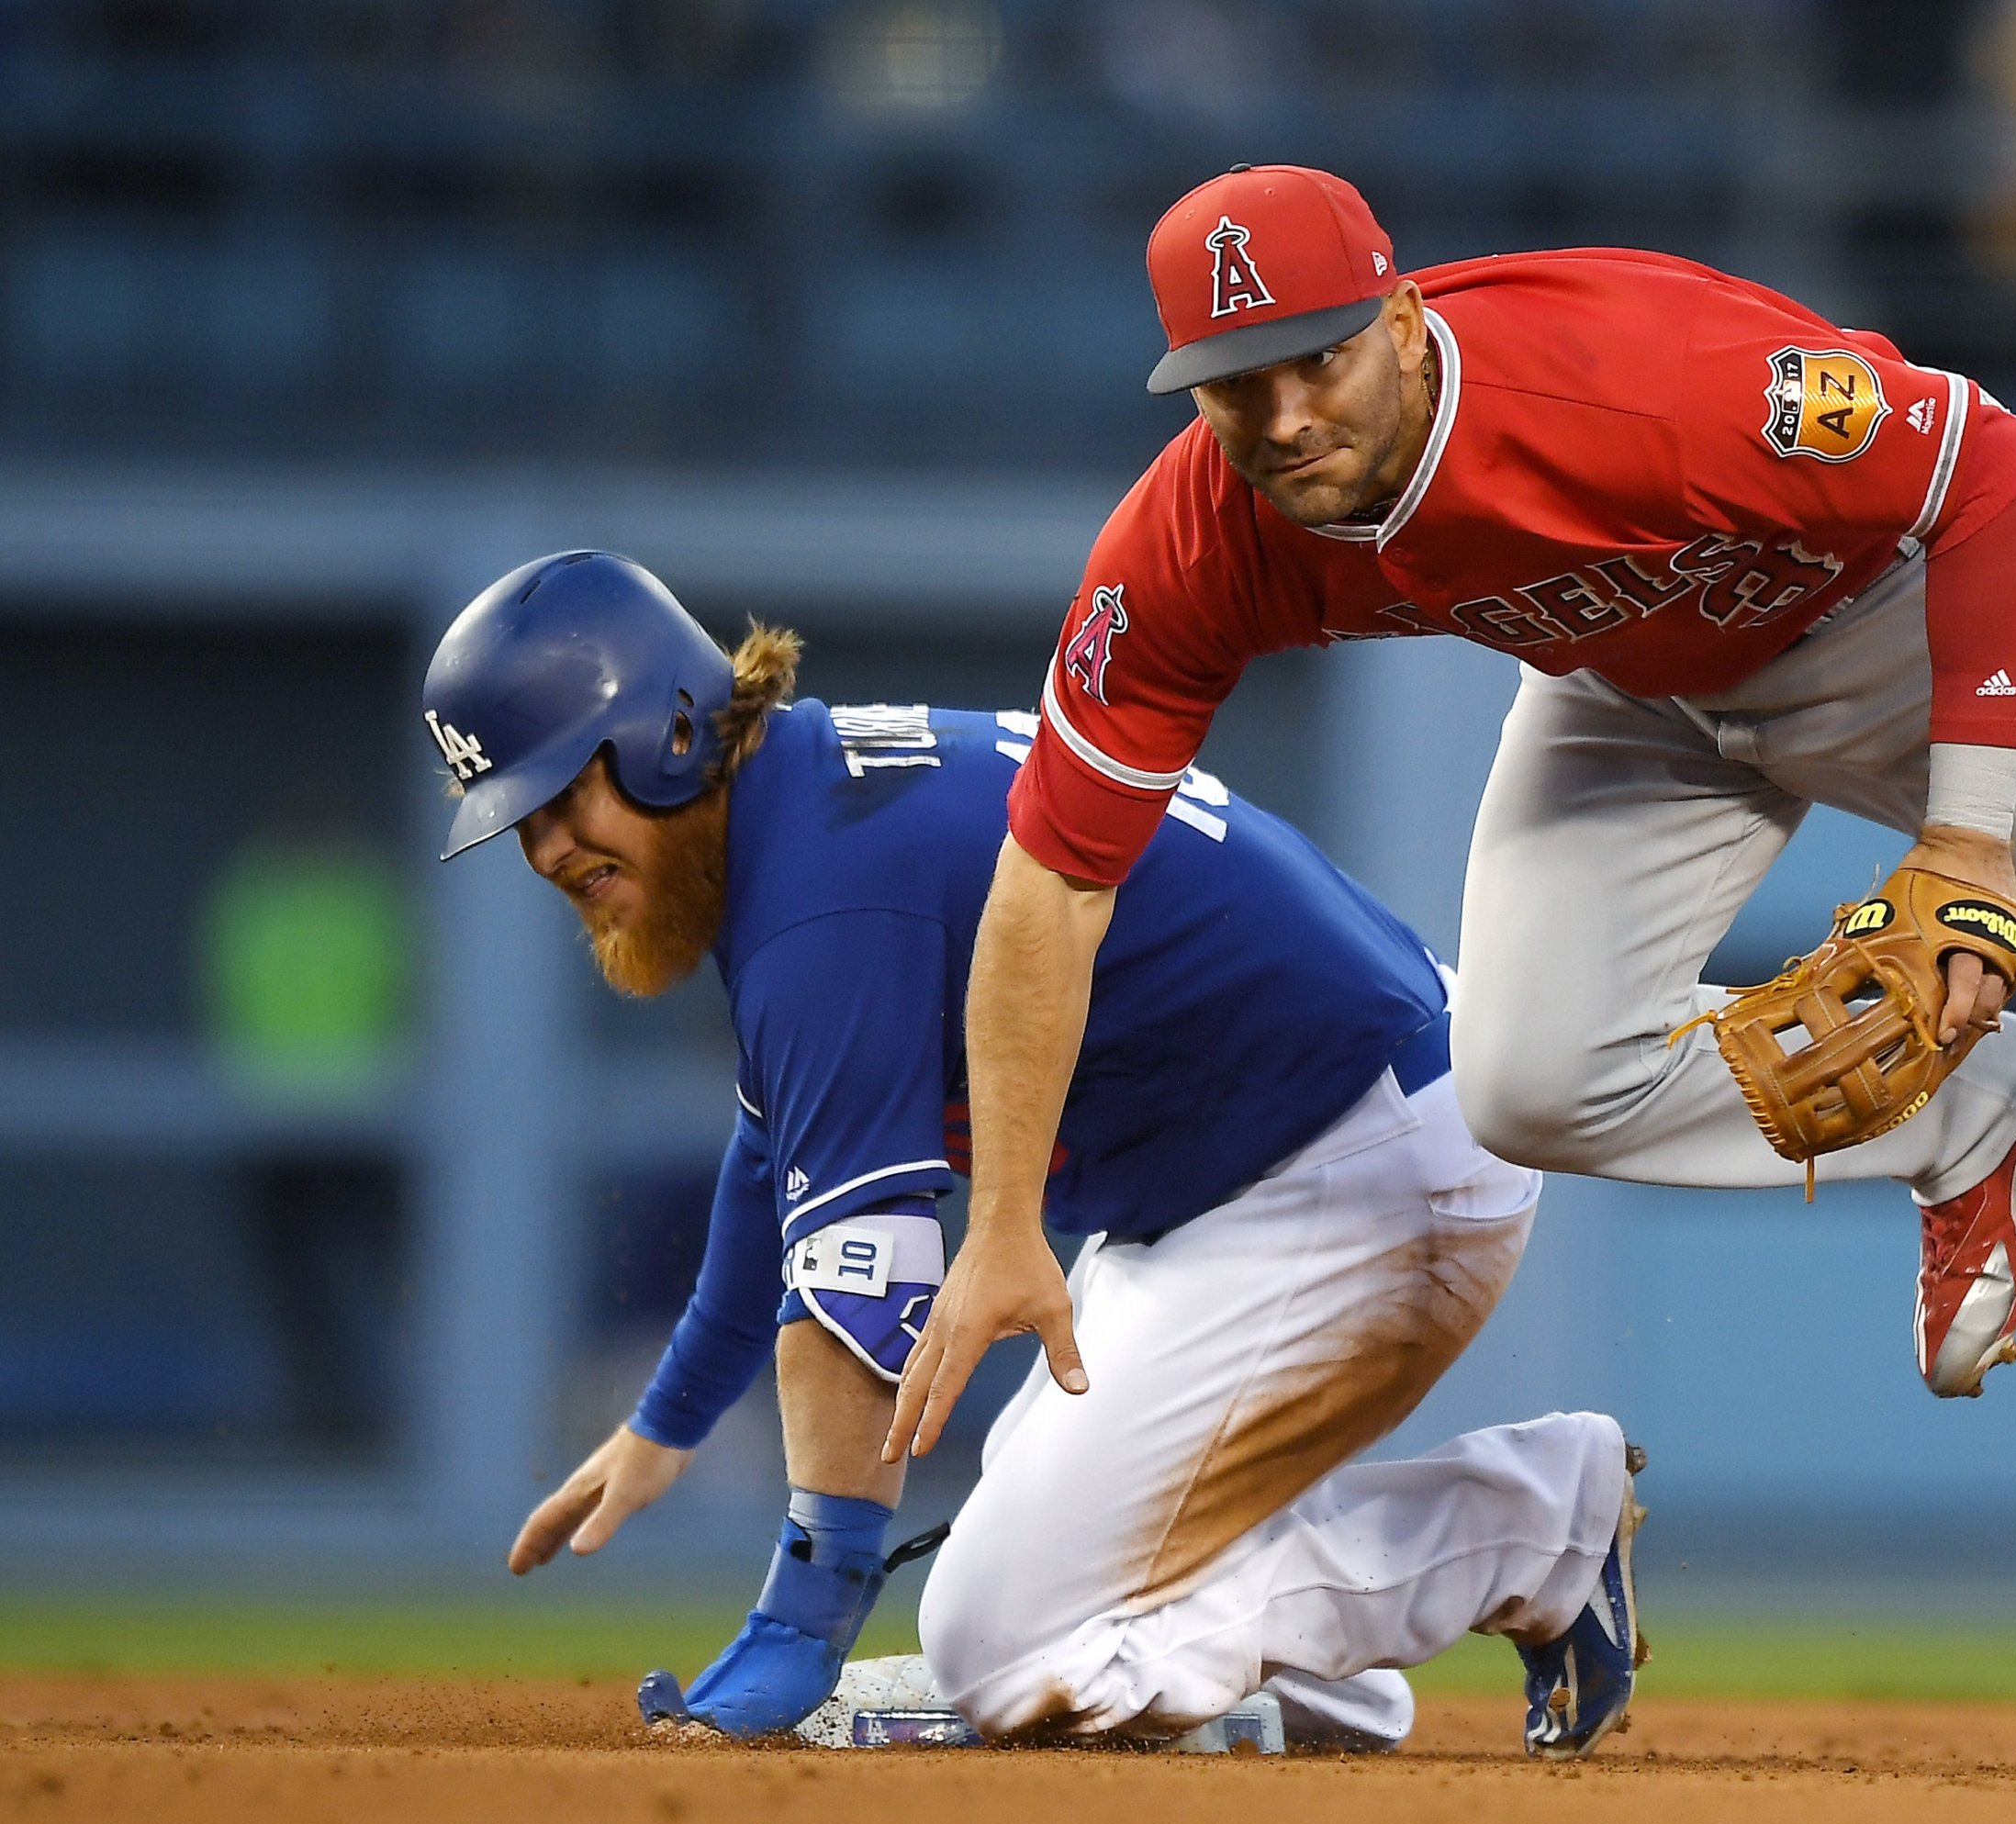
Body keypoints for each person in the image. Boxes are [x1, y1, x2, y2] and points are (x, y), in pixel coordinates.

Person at [898, 164, 2016, 1660]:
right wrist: (1002, 1220)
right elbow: (1052, 875)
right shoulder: (1199, 537)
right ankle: (1969, 1112)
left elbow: (1988, 470)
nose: (1284, 411)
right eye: (1235, 383)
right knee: (1526, 1075)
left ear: (1400, 320)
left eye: (1318, 357)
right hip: (1639, 679)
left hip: (1896, 616)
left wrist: (1965, 854)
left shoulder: (1629, 386)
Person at [421, 550, 1643, 1757]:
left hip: (1357, 1164)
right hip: (1277, 1158)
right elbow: (769, 1163)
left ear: (670, 732)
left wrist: (801, 1621)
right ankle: (1279, 1674)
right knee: (1058, 1571)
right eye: (518, 819)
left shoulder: (820, 892)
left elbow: (855, 1301)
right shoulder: (804, 816)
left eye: (561, 795)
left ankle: (1530, 1529)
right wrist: (669, 1421)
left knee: (1006, 1643)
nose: (544, 853)